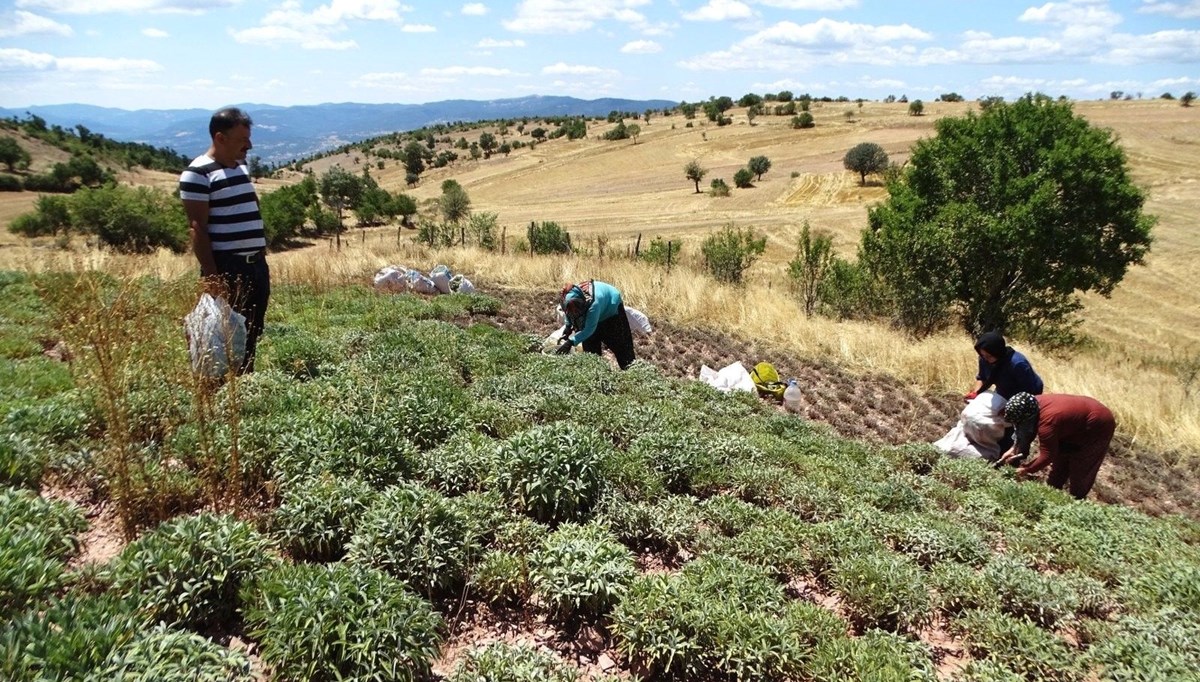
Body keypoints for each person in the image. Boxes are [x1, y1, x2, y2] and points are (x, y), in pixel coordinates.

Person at [179, 107, 269, 373]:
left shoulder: (240, 166)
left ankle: (245, 382)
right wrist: (212, 277)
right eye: (243, 140)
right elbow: (198, 229)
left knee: (252, 328)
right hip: (229, 267)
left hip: (255, 266)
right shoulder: (197, 174)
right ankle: (222, 389)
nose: (249, 146)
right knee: (223, 332)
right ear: (220, 137)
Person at [995, 392, 1116, 500]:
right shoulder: (1030, 403)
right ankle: (1052, 494)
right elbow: (1024, 429)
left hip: (1099, 423)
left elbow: (1047, 455)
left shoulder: (1047, 423)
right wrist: (1014, 449)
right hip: (1073, 422)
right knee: (1060, 462)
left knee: (1081, 467)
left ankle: (1077, 501)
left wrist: (1026, 469)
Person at [555, 279, 636, 370]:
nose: (575, 312)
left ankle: (631, 371)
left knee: (621, 347)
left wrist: (570, 342)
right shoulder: (567, 300)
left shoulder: (593, 304)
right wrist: (568, 326)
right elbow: (569, 313)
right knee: (591, 352)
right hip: (594, 311)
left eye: (577, 310)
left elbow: (589, 329)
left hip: (611, 308)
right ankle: (596, 373)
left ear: (582, 302)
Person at [965, 331, 1044, 402]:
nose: (985, 359)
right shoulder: (984, 359)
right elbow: (982, 378)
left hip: (1027, 394)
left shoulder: (1017, 363)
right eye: (982, 355)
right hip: (1003, 392)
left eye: (989, 356)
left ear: (997, 352)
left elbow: (1029, 391)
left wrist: (1011, 407)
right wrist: (976, 394)